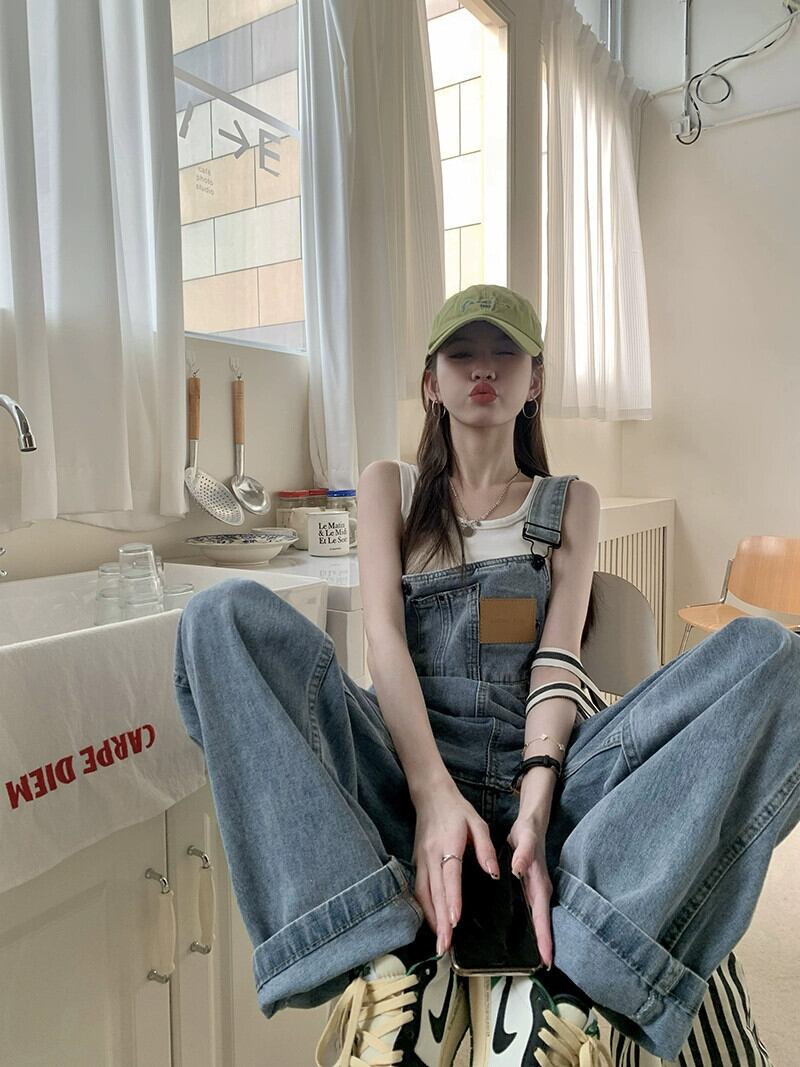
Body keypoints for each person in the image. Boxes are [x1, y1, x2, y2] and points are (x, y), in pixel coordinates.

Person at [173, 284, 798, 1067]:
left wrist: (536, 798)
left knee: (774, 654)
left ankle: (579, 973)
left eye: (506, 353)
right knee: (219, 616)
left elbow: (558, 658)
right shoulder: (390, 487)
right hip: (409, 776)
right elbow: (384, 645)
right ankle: (381, 953)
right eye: (461, 353)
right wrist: (433, 795)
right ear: (430, 380)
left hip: (549, 776)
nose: (483, 369)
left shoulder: (569, 502)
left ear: (535, 381)